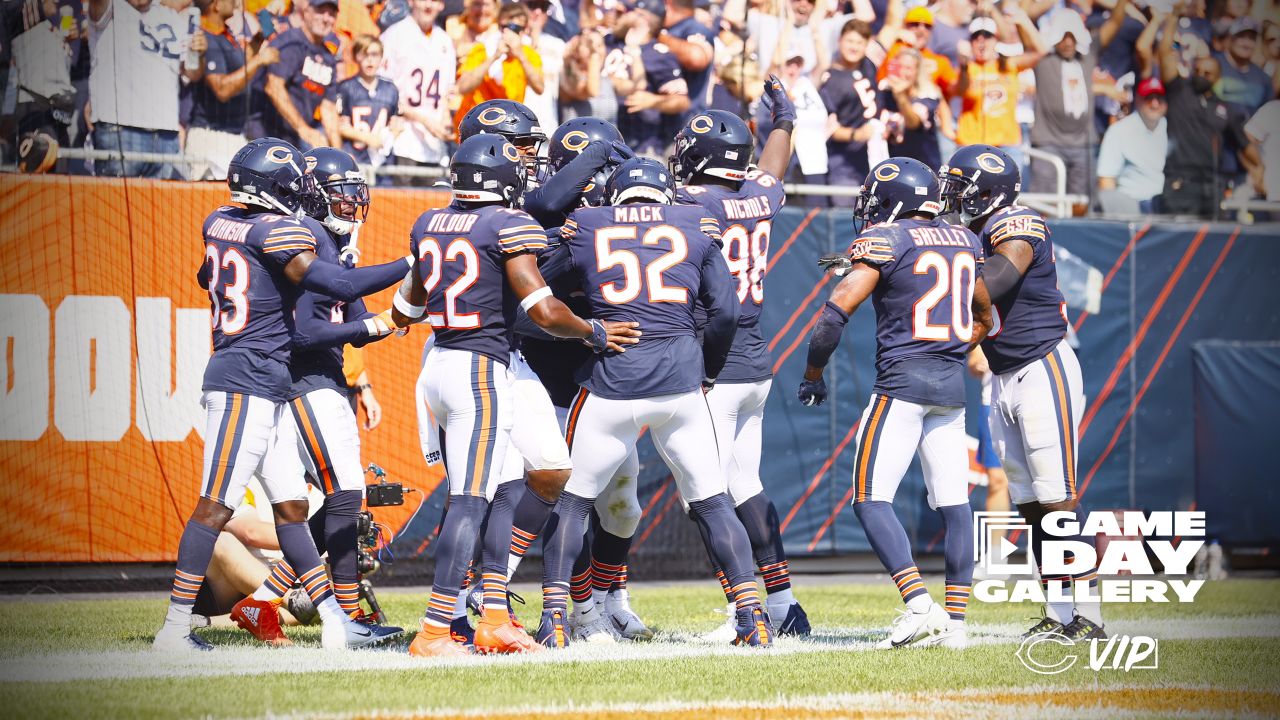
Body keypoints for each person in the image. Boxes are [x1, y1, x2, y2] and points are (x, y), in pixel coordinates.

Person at [392, 134, 639, 657]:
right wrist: (594, 332)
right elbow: (545, 311)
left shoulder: (428, 222)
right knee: (470, 498)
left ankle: (496, 615)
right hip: (480, 368)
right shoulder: (508, 224)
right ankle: (437, 629)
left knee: (518, 482)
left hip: (449, 358)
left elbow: (405, 310)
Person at [153, 137, 400, 651]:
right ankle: (174, 630)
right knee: (214, 507)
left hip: (267, 382)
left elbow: (208, 274)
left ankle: (337, 622)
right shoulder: (273, 230)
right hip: (245, 380)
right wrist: (412, 263)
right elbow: (342, 287)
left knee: (291, 507)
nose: (302, 194)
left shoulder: (220, 221)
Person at [534, 157, 773, 648]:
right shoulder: (695, 222)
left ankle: (557, 619)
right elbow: (724, 313)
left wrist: (590, 329)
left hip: (611, 383)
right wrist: (706, 368)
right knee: (713, 500)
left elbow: (535, 294)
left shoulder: (586, 224)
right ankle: (752, 616)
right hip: (681, 385)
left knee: (574, 503)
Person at [798, 156, 990, 650]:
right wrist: (951, 352)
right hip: (950, 392)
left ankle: (920, 606)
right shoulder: (965, 239)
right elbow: (986, 313)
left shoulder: (888, 240)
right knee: (955, 505)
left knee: (869, 497)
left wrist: (813, 371)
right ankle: (958, 625)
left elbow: (835, 311)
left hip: (901, 388)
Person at [226, 147, 411, 646]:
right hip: (305, 381)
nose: (353, 205)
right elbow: (304, 332)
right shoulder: (305, 241)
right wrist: (397, 284)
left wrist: (402, 312)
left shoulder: (332, 243)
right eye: (343, 196)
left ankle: (263, 600)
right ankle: (347, 613)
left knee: (343, 498)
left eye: (356, 196)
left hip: (329, 381)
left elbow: (355, 317)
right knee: (346, 496)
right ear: (314, 193)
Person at [940, 143, 1104, 641]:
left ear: (988, 192)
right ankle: (1059, 613)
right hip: (1002, 374)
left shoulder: (1018, 223)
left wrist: (937, 256)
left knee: (1056, 498)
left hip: (1041, 367)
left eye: (959, 187)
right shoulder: (971, 231)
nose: (952, 196)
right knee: (1029, 502)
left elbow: (995, 279)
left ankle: (1091, 616)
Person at [676, 92, 812, 638]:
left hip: (715, 354)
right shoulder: (757, 196)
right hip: (756, 355)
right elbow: (773, 167)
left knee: (707, 494)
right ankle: (783, 604)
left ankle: (745, 610)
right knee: (745, 484)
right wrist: (785, 120)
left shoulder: (696, 204)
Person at [87, 0, 207, 178]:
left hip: (166, 136)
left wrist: (199, 53)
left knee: (164, 206)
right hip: (119, 131)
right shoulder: (109, 8)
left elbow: (192, 73)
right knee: (115, 205)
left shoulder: (172, 17)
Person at [1156, 10, 1257, 217]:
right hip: (1180, 181)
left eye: (1207, 74)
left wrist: (1260, 170)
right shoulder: (1180, 91)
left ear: (1217, 79)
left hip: (1212, 184)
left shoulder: (1224, 108)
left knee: (1211, 242)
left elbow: (1245, 146)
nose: (1201, 76)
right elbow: (1165, 53)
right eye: (1198, 71)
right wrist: (1174, 16)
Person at [187, 0, 281, 180]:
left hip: (233, 136)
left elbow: (242, 65)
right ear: (216, 5)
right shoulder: (206, 37)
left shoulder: (225, 35)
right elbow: (222, 90)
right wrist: (260, 60)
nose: (237, 2)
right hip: (211, 137)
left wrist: (259, 37)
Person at [954, 12, 1045, 170]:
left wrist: (1024, 23)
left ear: (996, 39)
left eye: (987, 36)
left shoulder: (1008, 64)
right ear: (970, 42)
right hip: (972, 145)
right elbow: (961, 91)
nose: (981, 41)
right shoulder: (967, 68)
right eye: (976, 37)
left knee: (1009, 193)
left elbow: (1041, 53)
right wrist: (963, 65)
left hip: (1007, 145)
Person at [378, 0, 456, 181]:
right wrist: (425, 120)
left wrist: (444, 119)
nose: (428, 5)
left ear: (442, 5)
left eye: (435, 0)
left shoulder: (445, 40)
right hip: (402, 140)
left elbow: (446, 92)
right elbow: (383, 93)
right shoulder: (394, 36)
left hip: (435, 145)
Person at [254, 0, 341, 150]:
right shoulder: (290, 42)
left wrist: (340, 154)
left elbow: (329, 109)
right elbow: (273, 87)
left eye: (331, 14)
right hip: (263, 137)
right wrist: (304, 129)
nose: (326, 18)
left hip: (293, 140)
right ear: (307, 12)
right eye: (321, 11)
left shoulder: (328, 58)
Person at [607, 0, 690, 158]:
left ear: (643, 18)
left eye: (629, 12)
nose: (622, 15)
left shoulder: (659, 54)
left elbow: (681, 101)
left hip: (639, 147)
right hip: (603, 138)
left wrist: (653, 101)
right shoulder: (611, 41)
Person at [454, 0, 545, 133]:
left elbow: (539, 88)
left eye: (515, 28)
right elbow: (462, 87)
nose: (509, 33)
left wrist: (520, 55)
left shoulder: (528, 55)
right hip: (474, 126)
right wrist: (494, 56)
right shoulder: (482, 49)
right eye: (505, 27)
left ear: (524, 30)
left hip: (506, 128)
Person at [820, 18, 881, 207]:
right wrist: (857, 134)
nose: (854, 47)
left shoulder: (868, 65)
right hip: (844, 163)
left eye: (859, 43)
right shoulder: (830, 79)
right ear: (839, 41)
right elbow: (828, 129)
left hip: (874, 158)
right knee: (845, 218)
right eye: (850, 41)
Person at [1096, 76, 1168, 213]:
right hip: (1131, 205)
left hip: (1167, 205)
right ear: (1138, 100)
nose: (1155, 104)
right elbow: (1106, 181)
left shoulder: (1173, 128)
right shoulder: (1119, 130)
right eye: (1149, 98)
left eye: (1159, 98)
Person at [333, 35, 402, 166]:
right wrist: (368, 138)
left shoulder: (391, 89)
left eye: (374, 54)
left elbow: (397, 123)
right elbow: (339, 125)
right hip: (355, 158)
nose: (370, 60)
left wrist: (390, 137)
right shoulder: (346, 87)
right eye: (364, 54)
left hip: (383, 160)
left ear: (382, 57)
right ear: (355, 57)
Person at [876, 47, 949, 169]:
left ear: (917, 71)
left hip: (922, 168)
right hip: (890, 166)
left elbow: (913, 123)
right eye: (900, 67)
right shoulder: (884, 89)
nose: (903, 73)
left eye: (908, 68)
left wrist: (900, 96)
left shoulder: (927, 94)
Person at [1215, 16, 1271, 116]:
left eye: (1251, 38)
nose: (1246, 43)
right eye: (1241, 36)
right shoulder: (1213, 64)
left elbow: (1266, 114)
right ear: (1230, 38)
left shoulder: (1263, 79)